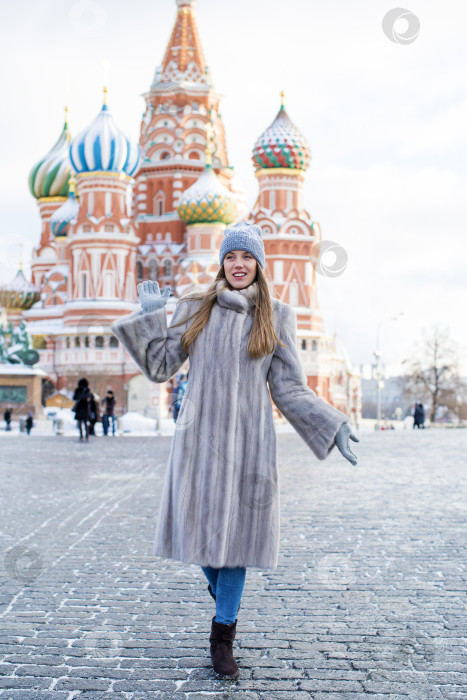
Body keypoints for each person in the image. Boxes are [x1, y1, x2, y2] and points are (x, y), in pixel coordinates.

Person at [112, 221, 360, 680]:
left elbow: (289, 388)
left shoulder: (276, 316)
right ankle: (223, 597)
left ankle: (222, 634)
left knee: (237, 547)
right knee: (204, 539)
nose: (239, 264)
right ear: (222, 262)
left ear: (259, 265)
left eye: (247, 257)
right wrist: (150, 318)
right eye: (231, 257)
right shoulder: (195, 307)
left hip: (250, 449)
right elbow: (160, 366)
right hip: (198, 445)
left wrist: (332, 423)